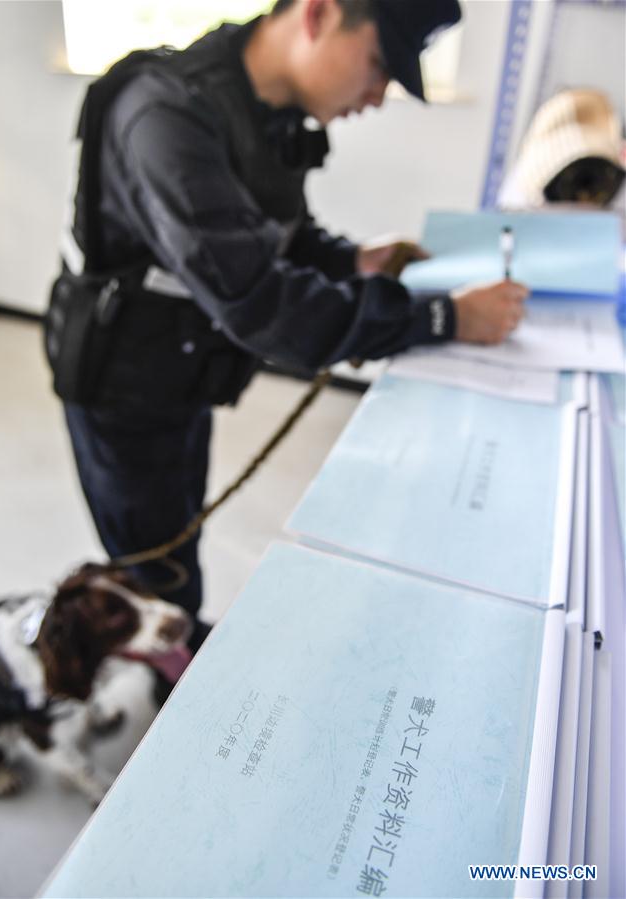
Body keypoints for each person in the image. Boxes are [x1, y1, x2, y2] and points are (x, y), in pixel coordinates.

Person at [45, 0, 528, 658]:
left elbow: (276, 234)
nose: (377, 94)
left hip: (184, 366)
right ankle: (156, 678)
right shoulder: (165, 115)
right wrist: (444, 317)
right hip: (125, 382)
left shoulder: (261, 110)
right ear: (318, 15)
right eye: (379, 65)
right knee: (151, 563)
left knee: (179, 531)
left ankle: (174, 644)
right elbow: (262, 303)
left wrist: (353, 260)